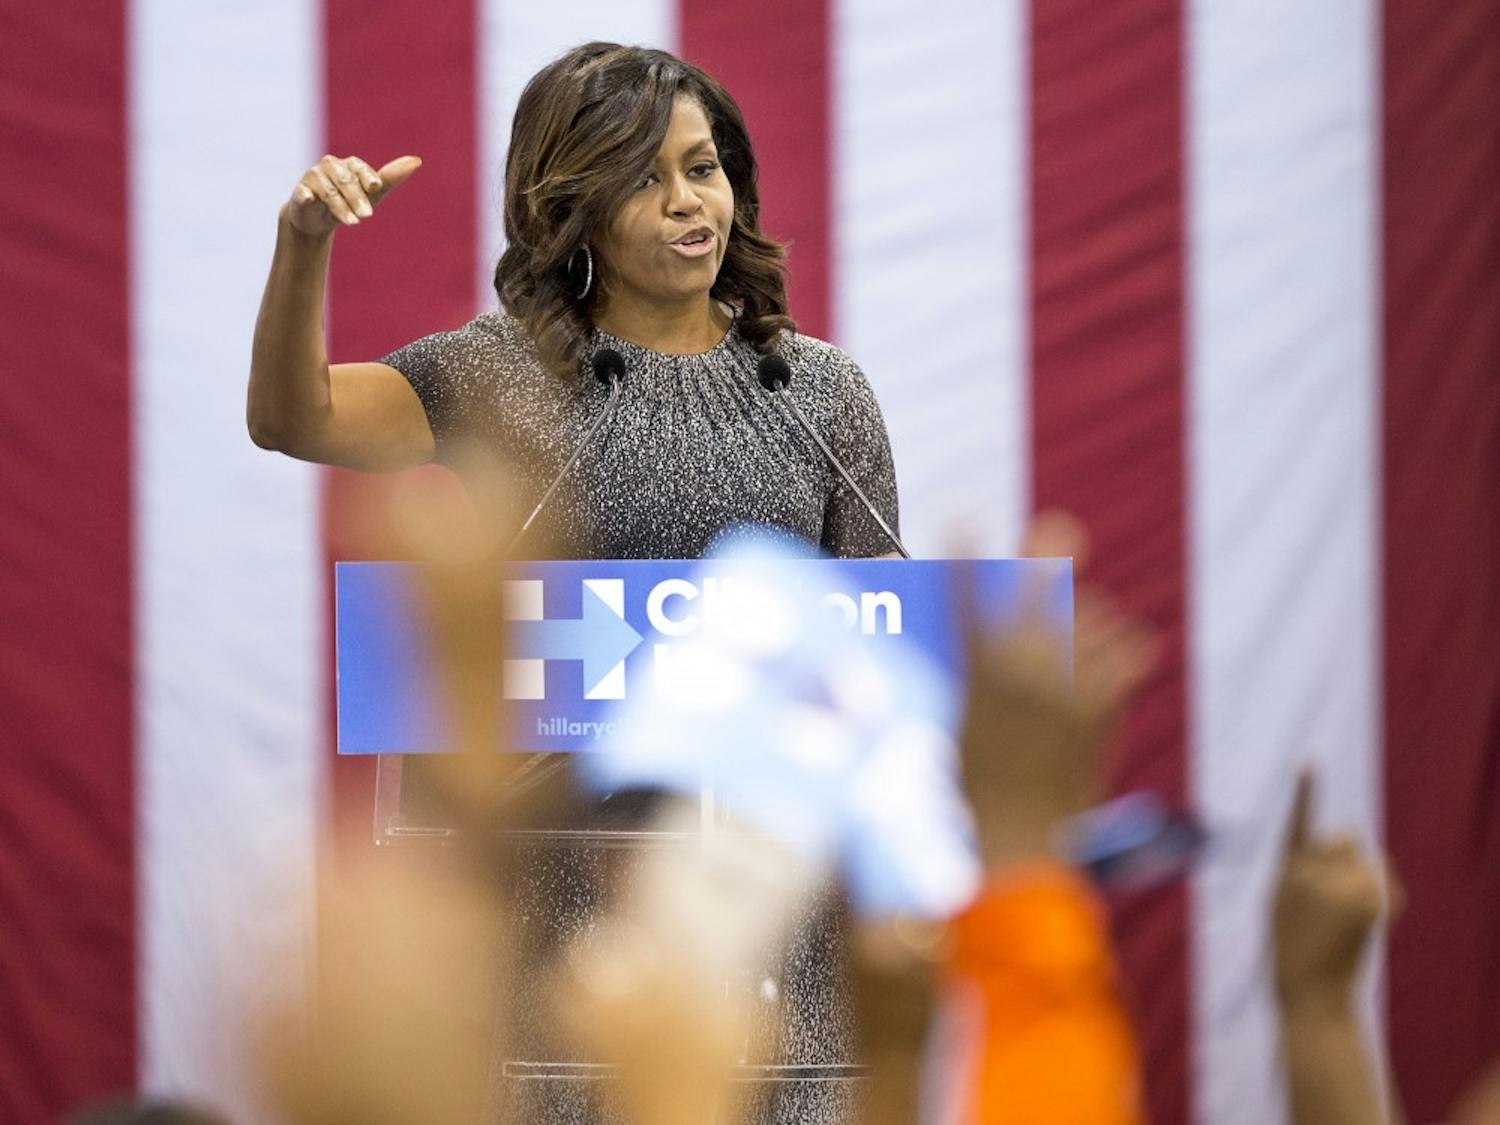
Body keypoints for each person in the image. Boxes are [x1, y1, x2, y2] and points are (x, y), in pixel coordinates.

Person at [247, 41, 899, 561]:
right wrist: (302, 242)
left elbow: (880, 628)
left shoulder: (817, 389)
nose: (686, 200)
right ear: (575, 213)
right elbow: (294, 419)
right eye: (644, 179)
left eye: (701, 169)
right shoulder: (503, 372)